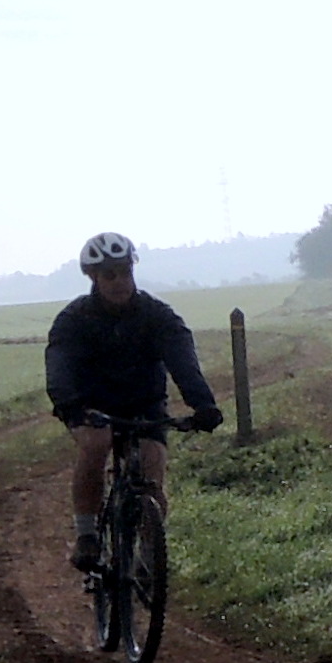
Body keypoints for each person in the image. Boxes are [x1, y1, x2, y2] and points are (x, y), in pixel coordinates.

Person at [45, 232, 224, 570]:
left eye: (125, 272)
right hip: (90, 405)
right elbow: (60, 368)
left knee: (151, 468)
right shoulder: (74, 320)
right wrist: (71, 407)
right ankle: (87, 535)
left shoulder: (156, 315)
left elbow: (182, 360)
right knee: (96, 444)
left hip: (144, 403)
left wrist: (203, 405)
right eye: (110, 274)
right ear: (93, 277)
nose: (120, 282)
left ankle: (147, 553)